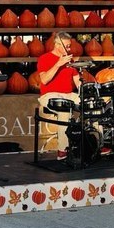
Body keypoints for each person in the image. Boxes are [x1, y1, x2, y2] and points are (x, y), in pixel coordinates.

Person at [37, 32, 81, 161]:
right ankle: (63, 149)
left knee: (92, 104)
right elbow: (44, 80)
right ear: (57, 45)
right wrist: (58, 64)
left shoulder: (69, 60)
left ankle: (98, 143)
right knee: (64, 108)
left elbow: (77, 81)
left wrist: (86, 91)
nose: (69, 49)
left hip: (68, 94)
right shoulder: (44, 58)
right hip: (50, 95)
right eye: (67, 46)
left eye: (69, 46)